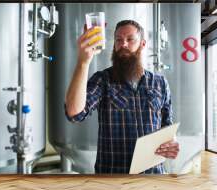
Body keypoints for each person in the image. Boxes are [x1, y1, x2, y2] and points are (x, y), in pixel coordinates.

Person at [65, 20, 179, 174]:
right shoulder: (102, 80)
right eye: (118, 40)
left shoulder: (160, 82)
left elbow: (167, 125)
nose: (123, 44)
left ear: (143, 44)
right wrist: (83, 61)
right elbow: (74, 114)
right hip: (112, 179)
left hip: (153, 177)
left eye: (130, 39)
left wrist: (172, 142)